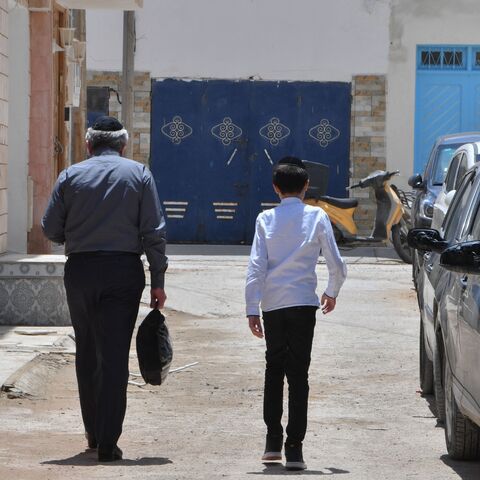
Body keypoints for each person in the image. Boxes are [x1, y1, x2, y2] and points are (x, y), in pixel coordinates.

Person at [42, 116, 167, 462]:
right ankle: (109, 441)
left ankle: (94, 435)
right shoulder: (140, 175)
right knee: (114, 356)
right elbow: (153, 231)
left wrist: (78, 233)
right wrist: (158, 280)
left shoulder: (70, 175)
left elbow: (51, 227)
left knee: (87, 350)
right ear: (124, 146)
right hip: (123, 272)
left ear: (88, 145)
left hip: (80, 271)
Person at [245, 156, 347, 471]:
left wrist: (252, 307)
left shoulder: (265, 220)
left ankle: (272, 442)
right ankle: (295, 449)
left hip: (273, 305)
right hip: (304, 304)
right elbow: (336, 263)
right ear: (305, 187)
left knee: (274, 369)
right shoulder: (316, 216)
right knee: (298, 374)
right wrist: (331, 291)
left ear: (275, 188)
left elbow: (255, 268)